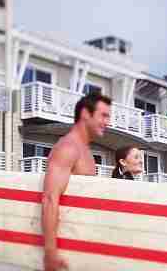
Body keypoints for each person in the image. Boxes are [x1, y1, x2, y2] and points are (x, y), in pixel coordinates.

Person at [41, 92, 111, 271]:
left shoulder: (85, 151)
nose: (107, 122)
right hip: (62, 256)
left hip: (81, 252)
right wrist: (50, 253)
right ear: (85, 114)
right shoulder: (68, 147)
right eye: (103, 115)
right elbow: (50, 199)